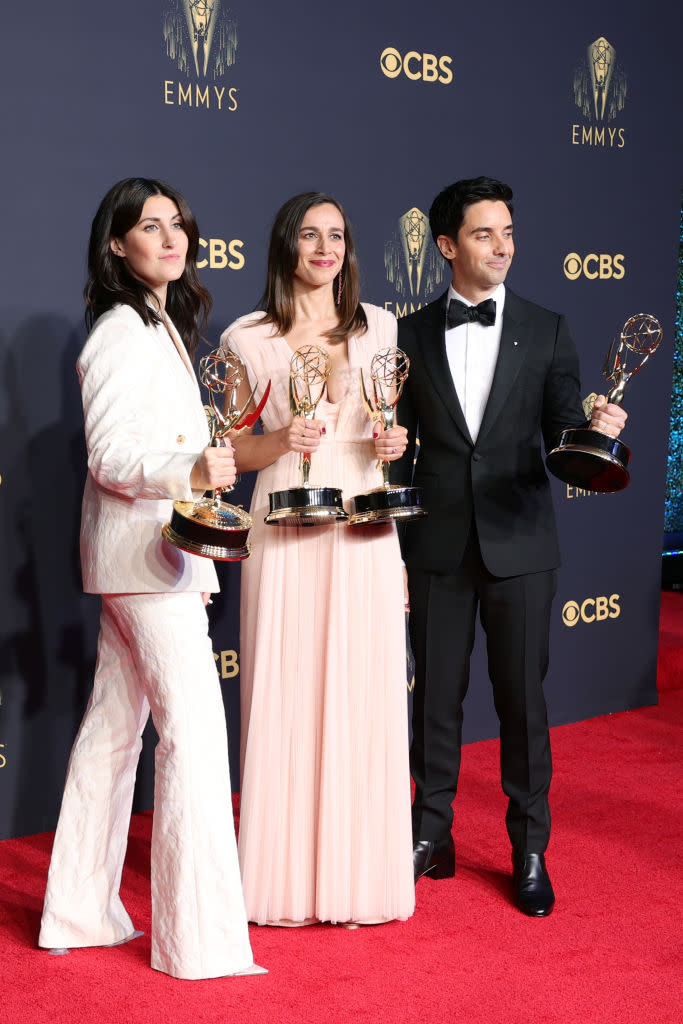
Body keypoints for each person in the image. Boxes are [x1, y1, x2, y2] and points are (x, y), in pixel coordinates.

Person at [38, 177, 263, 979]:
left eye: (180, 226)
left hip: (149, 560)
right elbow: (107, 458)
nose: (172, 239)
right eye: (151, 227)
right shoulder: (118, 333)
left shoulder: (158, 323)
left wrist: (195, 466)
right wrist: (188, 465)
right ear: (116, 245)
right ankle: (194, 942)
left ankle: (77, 911)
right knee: (193, 736)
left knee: (110, 736)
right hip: (146, 562)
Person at [393, 176, 627, 916]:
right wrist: (392, 543)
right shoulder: (406, 334)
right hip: (434, 542)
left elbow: (564, 434)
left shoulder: (547, 327)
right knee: (433, 699)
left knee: (522, 702)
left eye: (508, 234)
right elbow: (395, 451)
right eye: (484, 234)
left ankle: (529, 847)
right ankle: (429, 834)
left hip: (521, 543)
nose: (502, 247)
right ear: (445, 247)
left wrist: (598, 433)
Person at [221, 192, 415, 926]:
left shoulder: (381, 329)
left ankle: (358, 882)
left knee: (363, 693)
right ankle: (277, 885)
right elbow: (230, 450)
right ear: (285, 246)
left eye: (335, 235)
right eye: (309, 235)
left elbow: (386, 429)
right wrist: (284, 443)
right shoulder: (246, 337)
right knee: (285, 688)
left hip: (363, 524)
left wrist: (393, 447)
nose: (324, 248)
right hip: (283, 519)